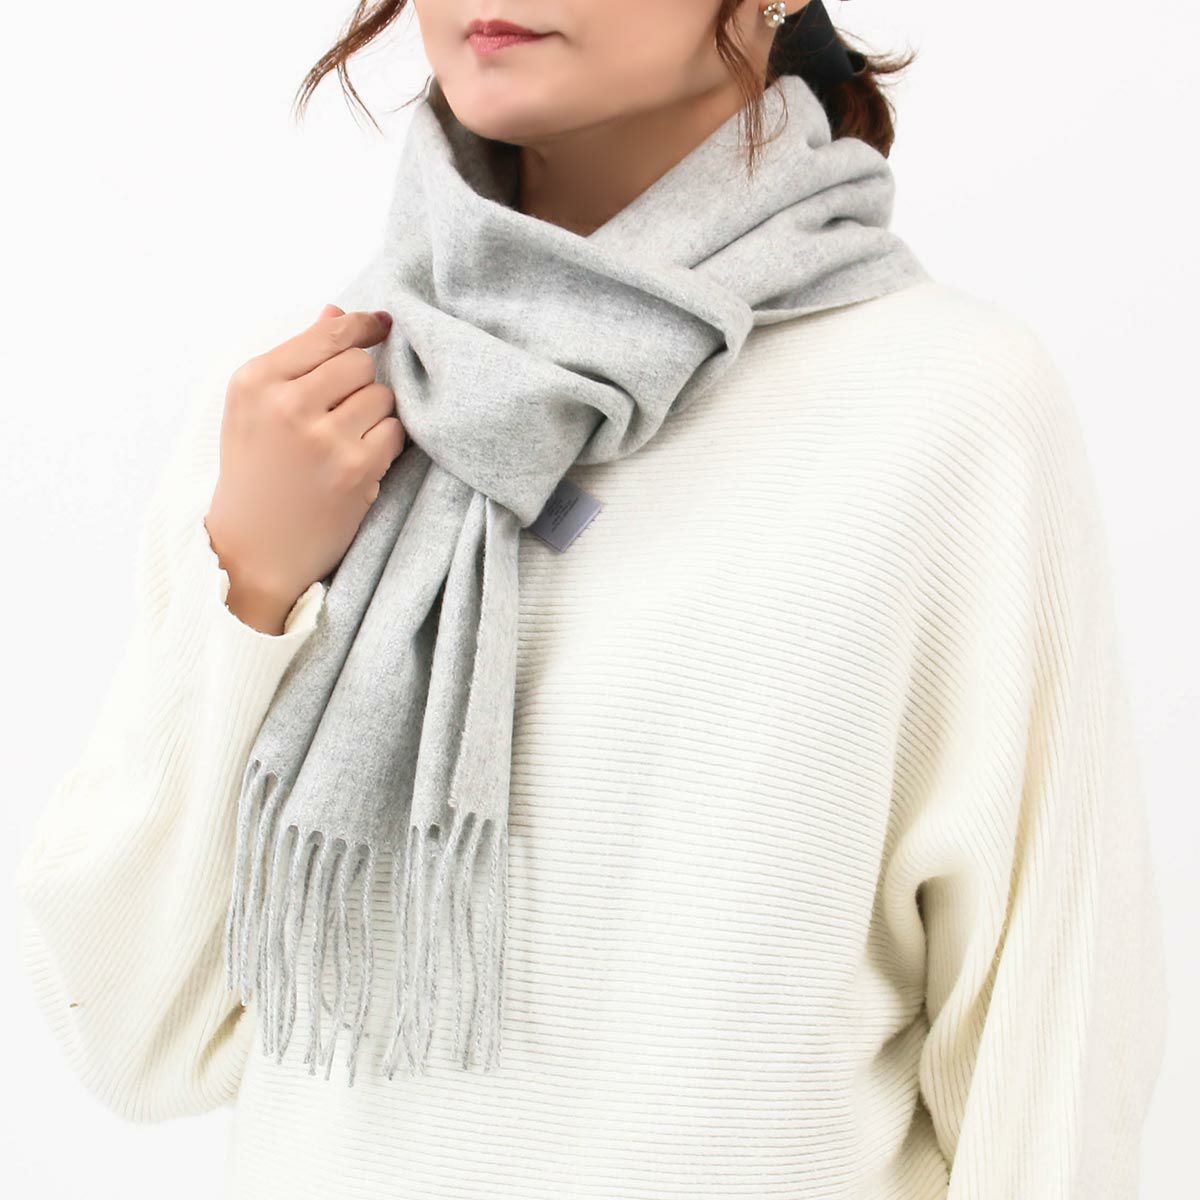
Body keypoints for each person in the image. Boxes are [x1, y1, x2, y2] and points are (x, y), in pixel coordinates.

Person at [14, 2, 1168, 1198]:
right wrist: (248, 587)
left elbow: (1051, 1065)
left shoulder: (942, 410)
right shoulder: (316, 414)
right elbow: (131, 1035)